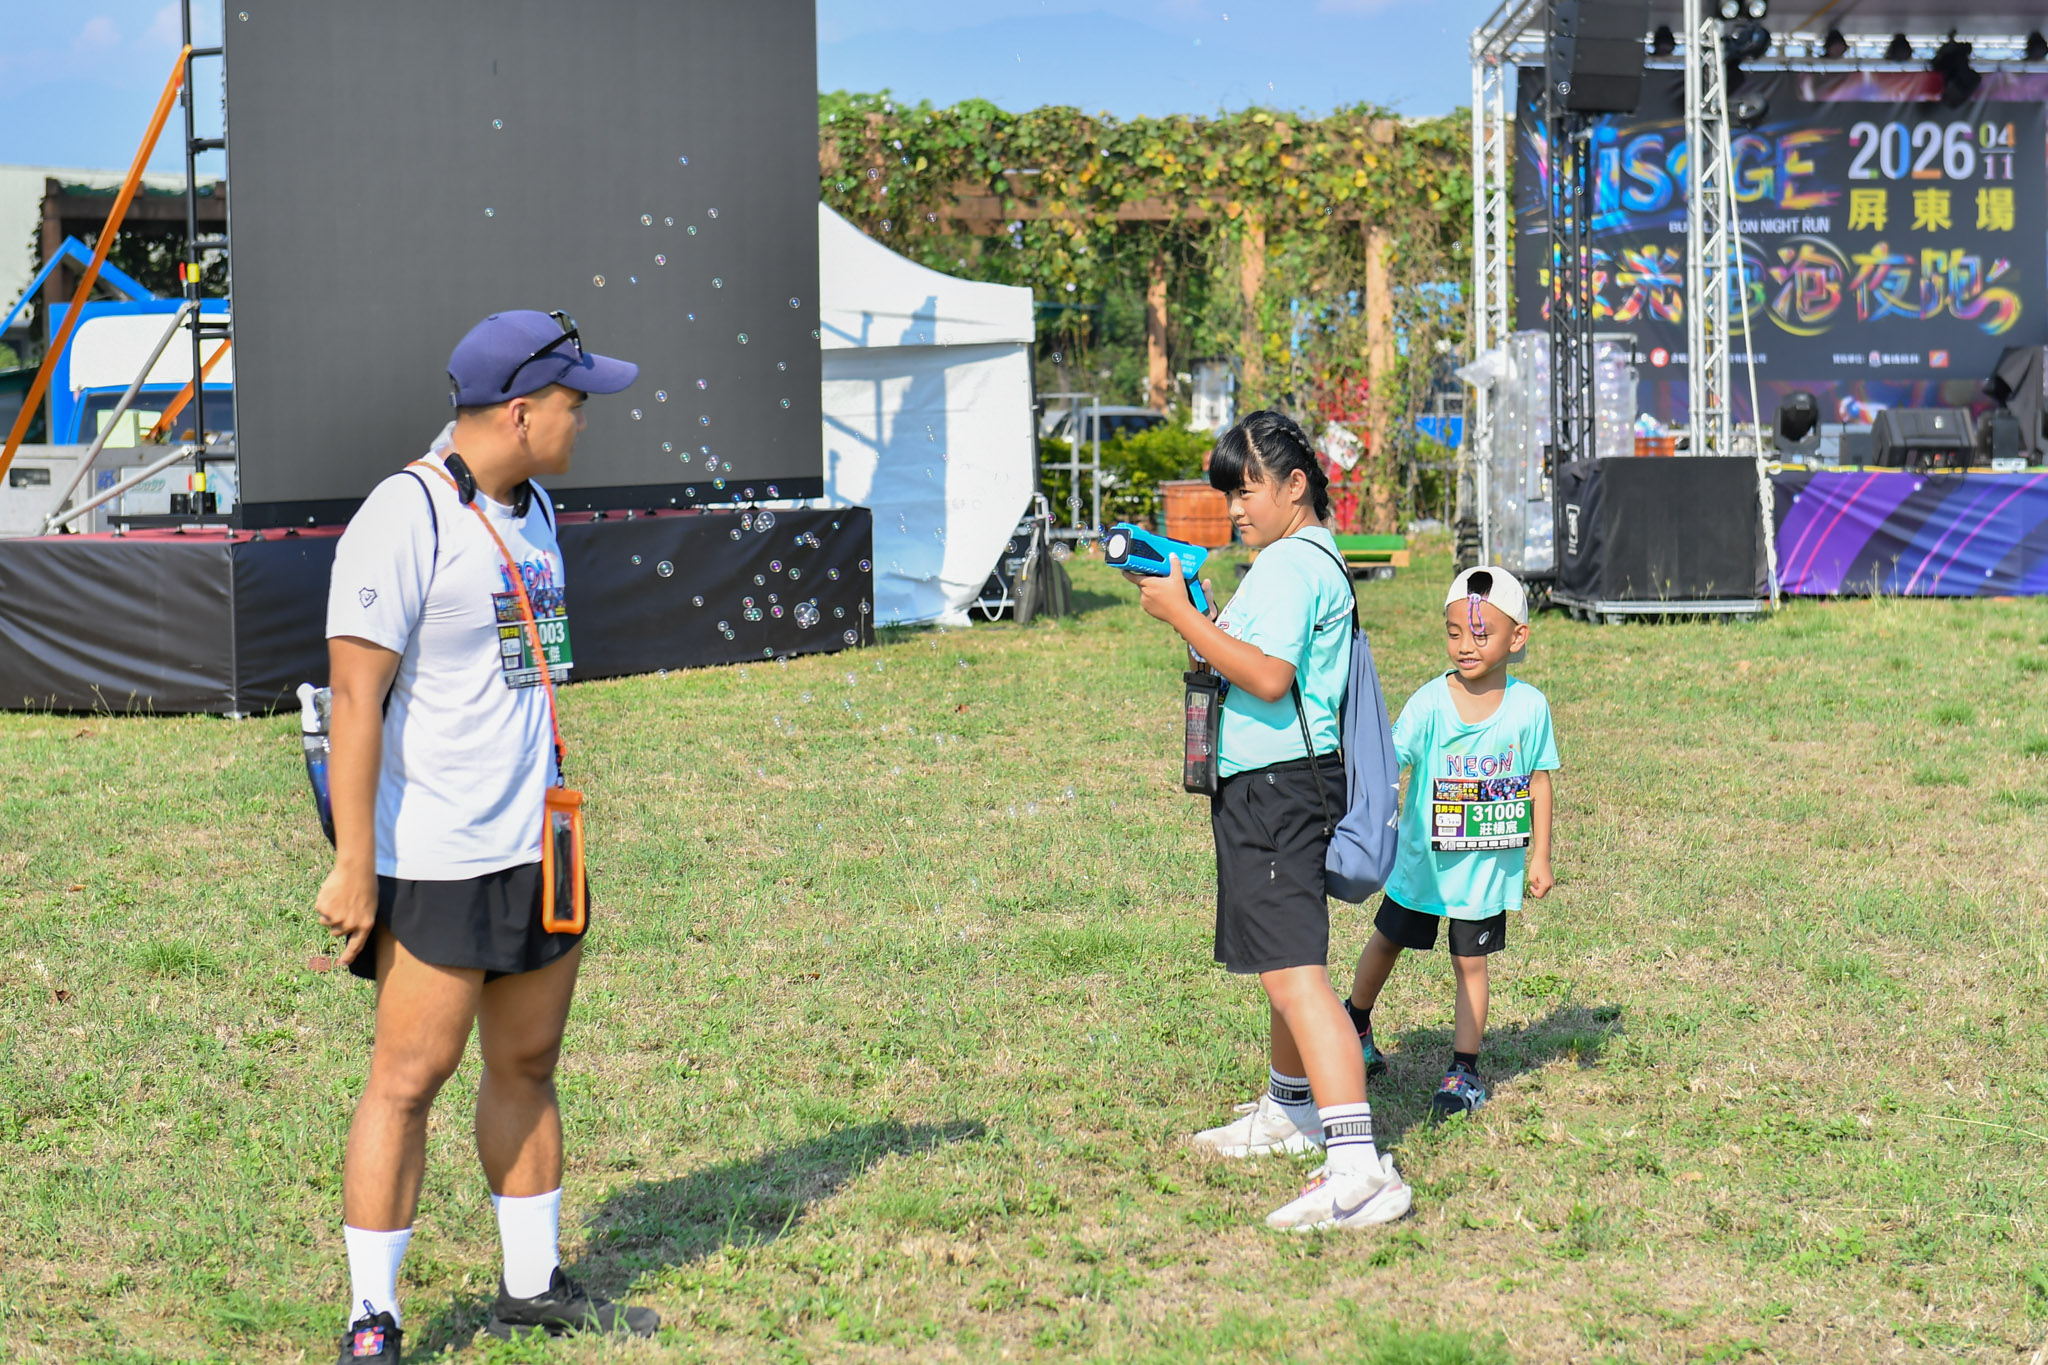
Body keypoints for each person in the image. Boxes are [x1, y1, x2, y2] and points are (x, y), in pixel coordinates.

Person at [317, 311, 658, 1361]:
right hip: (438, 854)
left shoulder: (536, 504)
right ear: (518, 411)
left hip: (539, 843)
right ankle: (372, 1316)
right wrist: (354, 865)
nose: (582, 419)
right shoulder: (405, 513)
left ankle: (531, 1285)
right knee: (409, 1078)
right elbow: (353, 698)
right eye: (572, 403)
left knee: (530, 1060)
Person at [1126, 409, 1411, 1231]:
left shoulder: (1290, 564)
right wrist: (1201, 620)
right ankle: (1292, 1109)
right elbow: (1237, 662)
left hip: (1282, 787)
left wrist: (1181, 615)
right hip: (1274, 784)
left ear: (1294, 485)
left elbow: (1268, 676)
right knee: (1286, 959)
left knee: (1295, 973)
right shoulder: (1297, 560)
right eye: (1228, 494)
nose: (1234, 510)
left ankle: (1358, 1168)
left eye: (1245, 491)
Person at [1340, 566, 1559, 1120]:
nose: (1465, 646)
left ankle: (1465, 1071)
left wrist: (1540, 856)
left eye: (1481, 634)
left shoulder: (1530, 708)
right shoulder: (1431, 703)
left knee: (1470, 963)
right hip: (1423, 866)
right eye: (1454, 632)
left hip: (1485, 873)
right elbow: (1391, 759)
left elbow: (1538, 782)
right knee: (1387, 940)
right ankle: (1354, 1024)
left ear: (1518, 637)